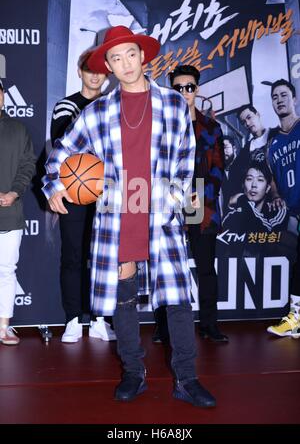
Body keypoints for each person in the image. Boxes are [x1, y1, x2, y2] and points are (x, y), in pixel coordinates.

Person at [42, 25, 216, 407]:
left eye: (130, 55)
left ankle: (186, 379)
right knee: (124, 298)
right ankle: (134, 375)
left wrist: (176, 202)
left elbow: (186, 156)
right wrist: (53, 184)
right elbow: (62, 150)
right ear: (108, 66)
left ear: (142, 56)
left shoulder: (172, 103)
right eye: (116, 58)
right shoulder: (98, 111)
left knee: (179, 301)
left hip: (160, 214)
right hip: (116, 211)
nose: (125, 64)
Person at [50, 48, 116, 343]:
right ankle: (74, 319)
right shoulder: (67, 106)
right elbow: (65, 146)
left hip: (108, 193)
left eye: (100, 70)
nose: (94, 75)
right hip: (75, 190)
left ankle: (101, 318)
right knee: (74, 256)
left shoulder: (113, 106)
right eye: (88, 69)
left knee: (104, 257)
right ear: (79, 72)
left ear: (107, 74)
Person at [168, 65, 228, 342]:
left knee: (205, 266)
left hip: (200, 201)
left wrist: (202, 195)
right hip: (169, 199)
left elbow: (218, 166)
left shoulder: (211, 127)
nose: (184, 93)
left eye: (189, 87)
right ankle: (163, 327)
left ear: (197, 89)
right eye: (178, 88)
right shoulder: (163, 126)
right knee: (166, 266)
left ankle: (209, 324)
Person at [0, 78, 36, 345]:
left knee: (6, 270)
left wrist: (13, 193)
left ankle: (4, 326)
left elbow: (27, 166)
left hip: (10, 214)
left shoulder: (18, 129)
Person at [266, 79, 300, 338]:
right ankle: (296, 318)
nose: (279, 100)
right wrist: (276, 196)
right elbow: (276, 182)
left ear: (295, 98)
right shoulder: (273, 145)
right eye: (275, 96)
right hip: (295, 212)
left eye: (284, 95)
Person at [222, 161, 287, 234]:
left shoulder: (277, 209)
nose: (254, 185)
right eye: (249, 179)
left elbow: (266, 230)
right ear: (243, 185)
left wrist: (242, 200)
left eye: (260, 180)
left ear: (268, 188)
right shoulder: (235, 211)